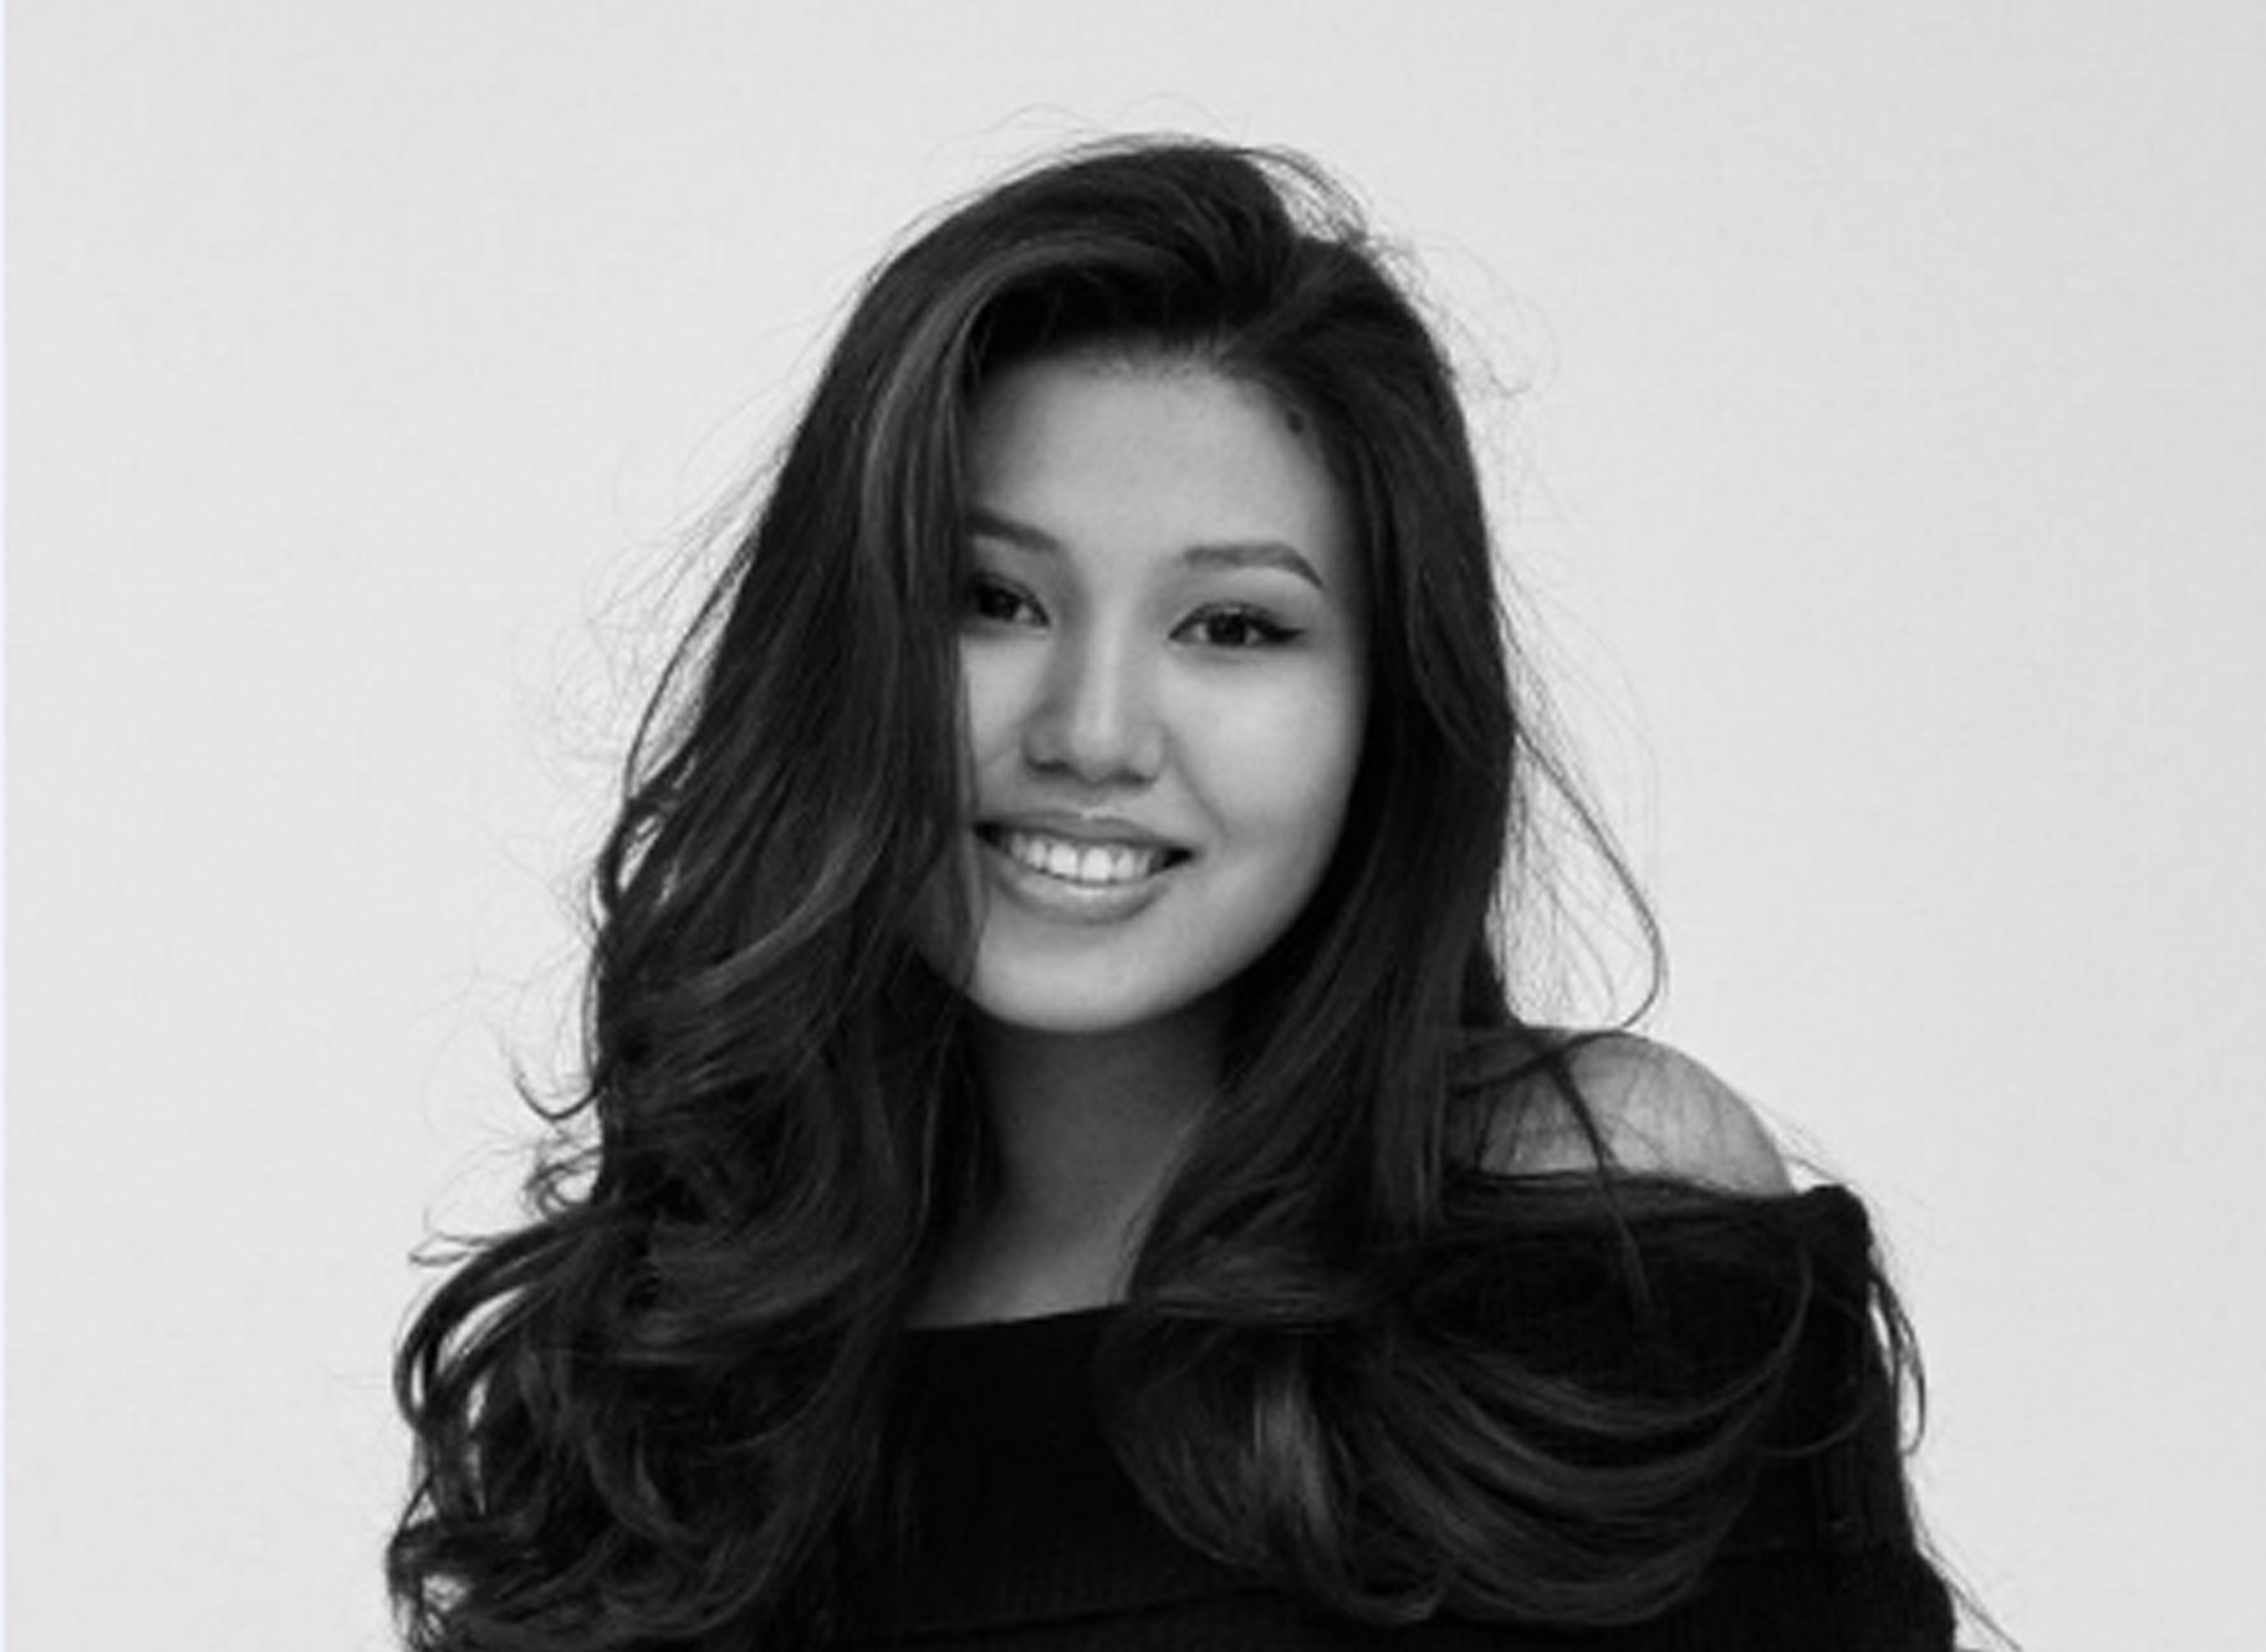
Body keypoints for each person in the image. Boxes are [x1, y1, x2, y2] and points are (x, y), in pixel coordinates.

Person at [391, 138, 1960, 1650]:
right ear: (839, 654)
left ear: (1388, 711)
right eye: (992, 599)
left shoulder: (1597, 1230)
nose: (1091, 734)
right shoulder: (656, 1401)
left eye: (1232, 627)